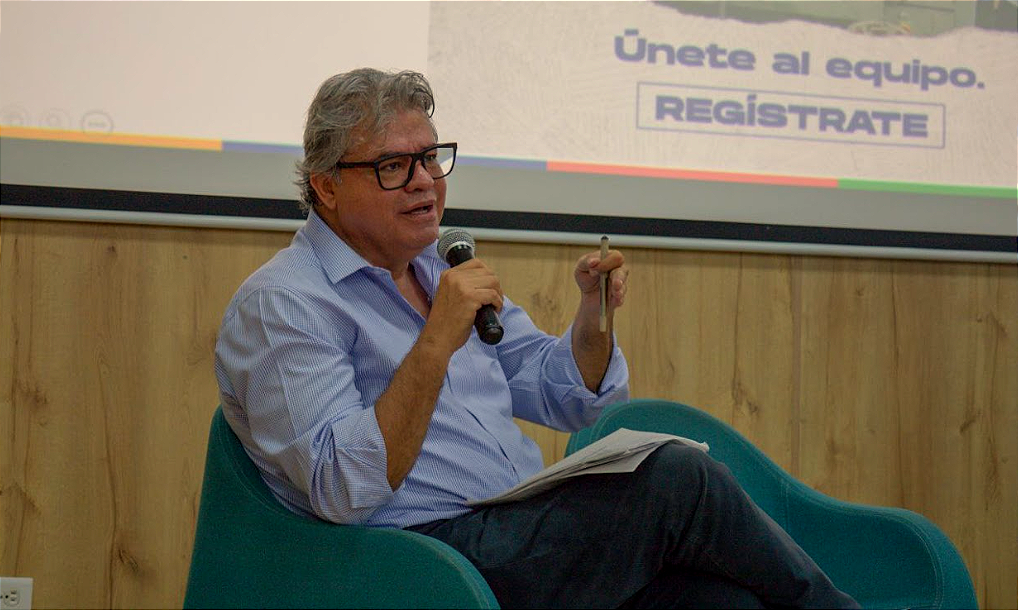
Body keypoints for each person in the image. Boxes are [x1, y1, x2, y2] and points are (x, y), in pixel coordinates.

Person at [214, 68, 859, 609]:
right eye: (392, 166)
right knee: (675, 478)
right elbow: (340, 488)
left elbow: (566, 398)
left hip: (515, 528)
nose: (424, 181)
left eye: (431, 158)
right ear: (326, 185)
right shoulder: (287, 303)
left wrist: (593, 318)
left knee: (723, 603)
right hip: (421, 558)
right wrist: (434, 342)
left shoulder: (440, 268)